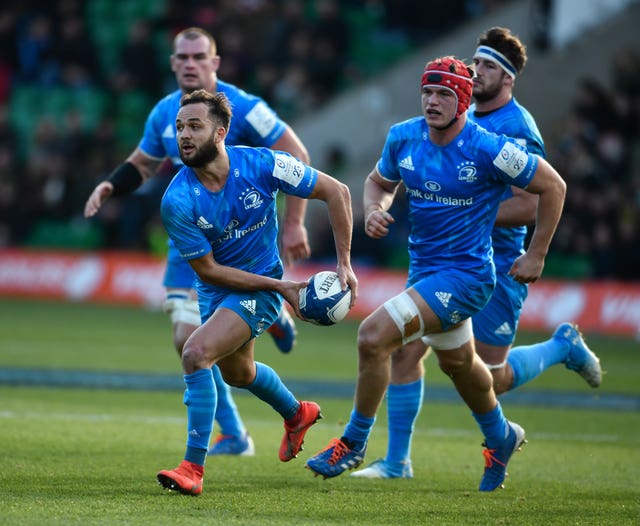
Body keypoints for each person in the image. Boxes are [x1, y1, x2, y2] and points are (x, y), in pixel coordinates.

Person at [350, 27, 603, 481]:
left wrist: (463, 215)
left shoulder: (514, 129)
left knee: (489, 375)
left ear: (507, 79)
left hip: (496, 263)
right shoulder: (436, 121)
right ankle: (396, 461)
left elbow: (533, 199)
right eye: (475, 62)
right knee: (403, 351)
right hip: (441, 260)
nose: (476, 69)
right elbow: (384, 182)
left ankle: (560, 347)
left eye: (487, 66)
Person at [305, 55, 567, 492]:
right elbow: (377, 182)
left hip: (467, 277)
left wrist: (537, 253)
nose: (432, 100)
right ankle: (500, 436)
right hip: (425, 273)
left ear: (463, 100)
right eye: (427, 91)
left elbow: (553, 186)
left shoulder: (488, 148)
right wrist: (374, 208)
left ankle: (353, 441)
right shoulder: (403, 138)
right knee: (461, 365)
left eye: (444, 93)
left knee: (373, 337)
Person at [84, 27, 310, 456]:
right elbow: (144, 162)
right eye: (182, 57)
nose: (190, 64)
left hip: (243, 245)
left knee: (195, 343)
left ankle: (228, 436)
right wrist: (111, 186)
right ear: (172, 63)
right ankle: (238, 429)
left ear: (215, 62)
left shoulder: (244, 107)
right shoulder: (164, 113)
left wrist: (295, 222)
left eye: (198, 56)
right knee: (189, 342)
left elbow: (295, 154)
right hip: (191, 237)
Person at [156, 89, 357, 495]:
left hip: (259, 288)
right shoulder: (176, 200)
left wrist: (344, 263)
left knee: (195, 354)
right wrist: (284, 287)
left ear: (221, 132)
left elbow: (338, 192)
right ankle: (297, 413)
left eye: (195, 126)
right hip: (223, 289)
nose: (184, 135)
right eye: (179, 127)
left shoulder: (263, 164)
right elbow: (209, 270)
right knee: (239, 373)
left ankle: (192, 468)